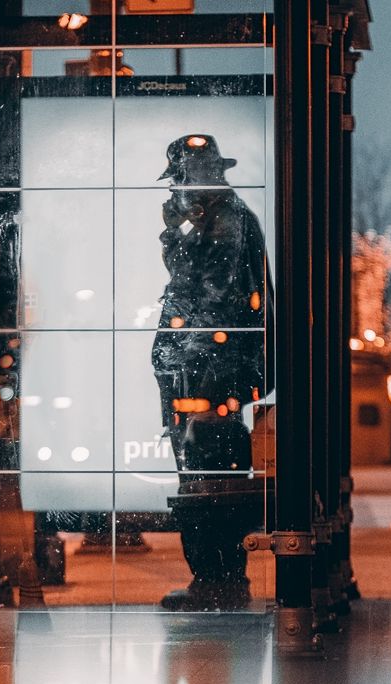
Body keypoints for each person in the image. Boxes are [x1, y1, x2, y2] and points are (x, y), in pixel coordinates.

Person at [151, 134, 272, 611]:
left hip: (210, 369)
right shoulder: (217, 218)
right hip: (203, 367)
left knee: (207, 473)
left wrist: (177, 234)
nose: (176, 189)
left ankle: (216, 577)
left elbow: (213, 299)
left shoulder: (225, 220)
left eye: (181, 178)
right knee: (204, 471)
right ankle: (215, 575)